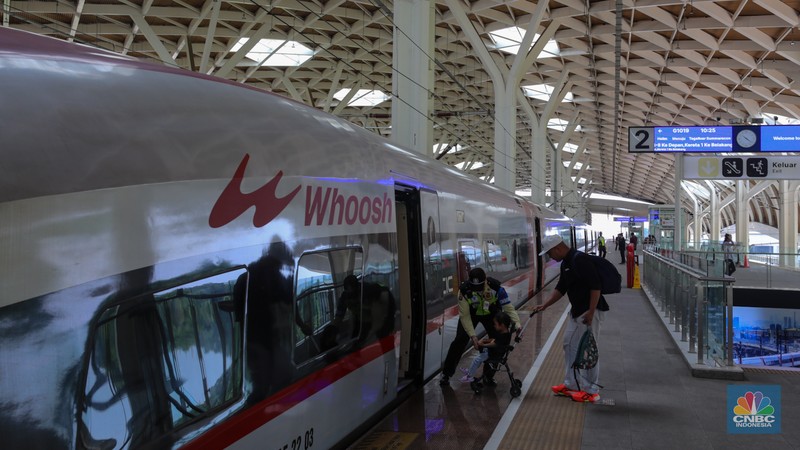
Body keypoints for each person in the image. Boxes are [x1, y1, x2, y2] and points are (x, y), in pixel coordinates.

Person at [532, 235, 610, 403]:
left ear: (557, 248)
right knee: (569, 344)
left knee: (589, 349)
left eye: (549, 253)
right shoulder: (566, 263)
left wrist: (590, 312)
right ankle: (572, 384)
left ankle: (591, 391)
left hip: (590, 312)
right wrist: (545, 305)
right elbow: (561, 287)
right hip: (577, 312)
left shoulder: (580, 260)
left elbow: (596, 286)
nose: (549, 257)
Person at [440, 268, 521, 386]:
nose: (477, 291)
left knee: (498, 340)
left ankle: (488, 376)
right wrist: (473, 337)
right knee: (460, 339)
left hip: (491, 313)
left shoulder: (496, 288)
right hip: (471, 314)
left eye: (480, 287)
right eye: (474, 288)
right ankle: (446, 374)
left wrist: (517, 324)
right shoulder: (463, 291)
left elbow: (508, 308)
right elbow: (465, 317)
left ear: (485, 281)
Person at [460, 312, 514, 392]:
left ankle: (470, 376)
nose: (494, 326)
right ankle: (470, 371)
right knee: (477, 359)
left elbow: (494, 344)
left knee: (477, 360)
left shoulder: (503, 336)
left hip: (493, 354)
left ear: (502, 325)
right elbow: (494, 340)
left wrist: (483, 345)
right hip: (494, 352)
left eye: (495, 324)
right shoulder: (505, 333)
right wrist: (484, 341)